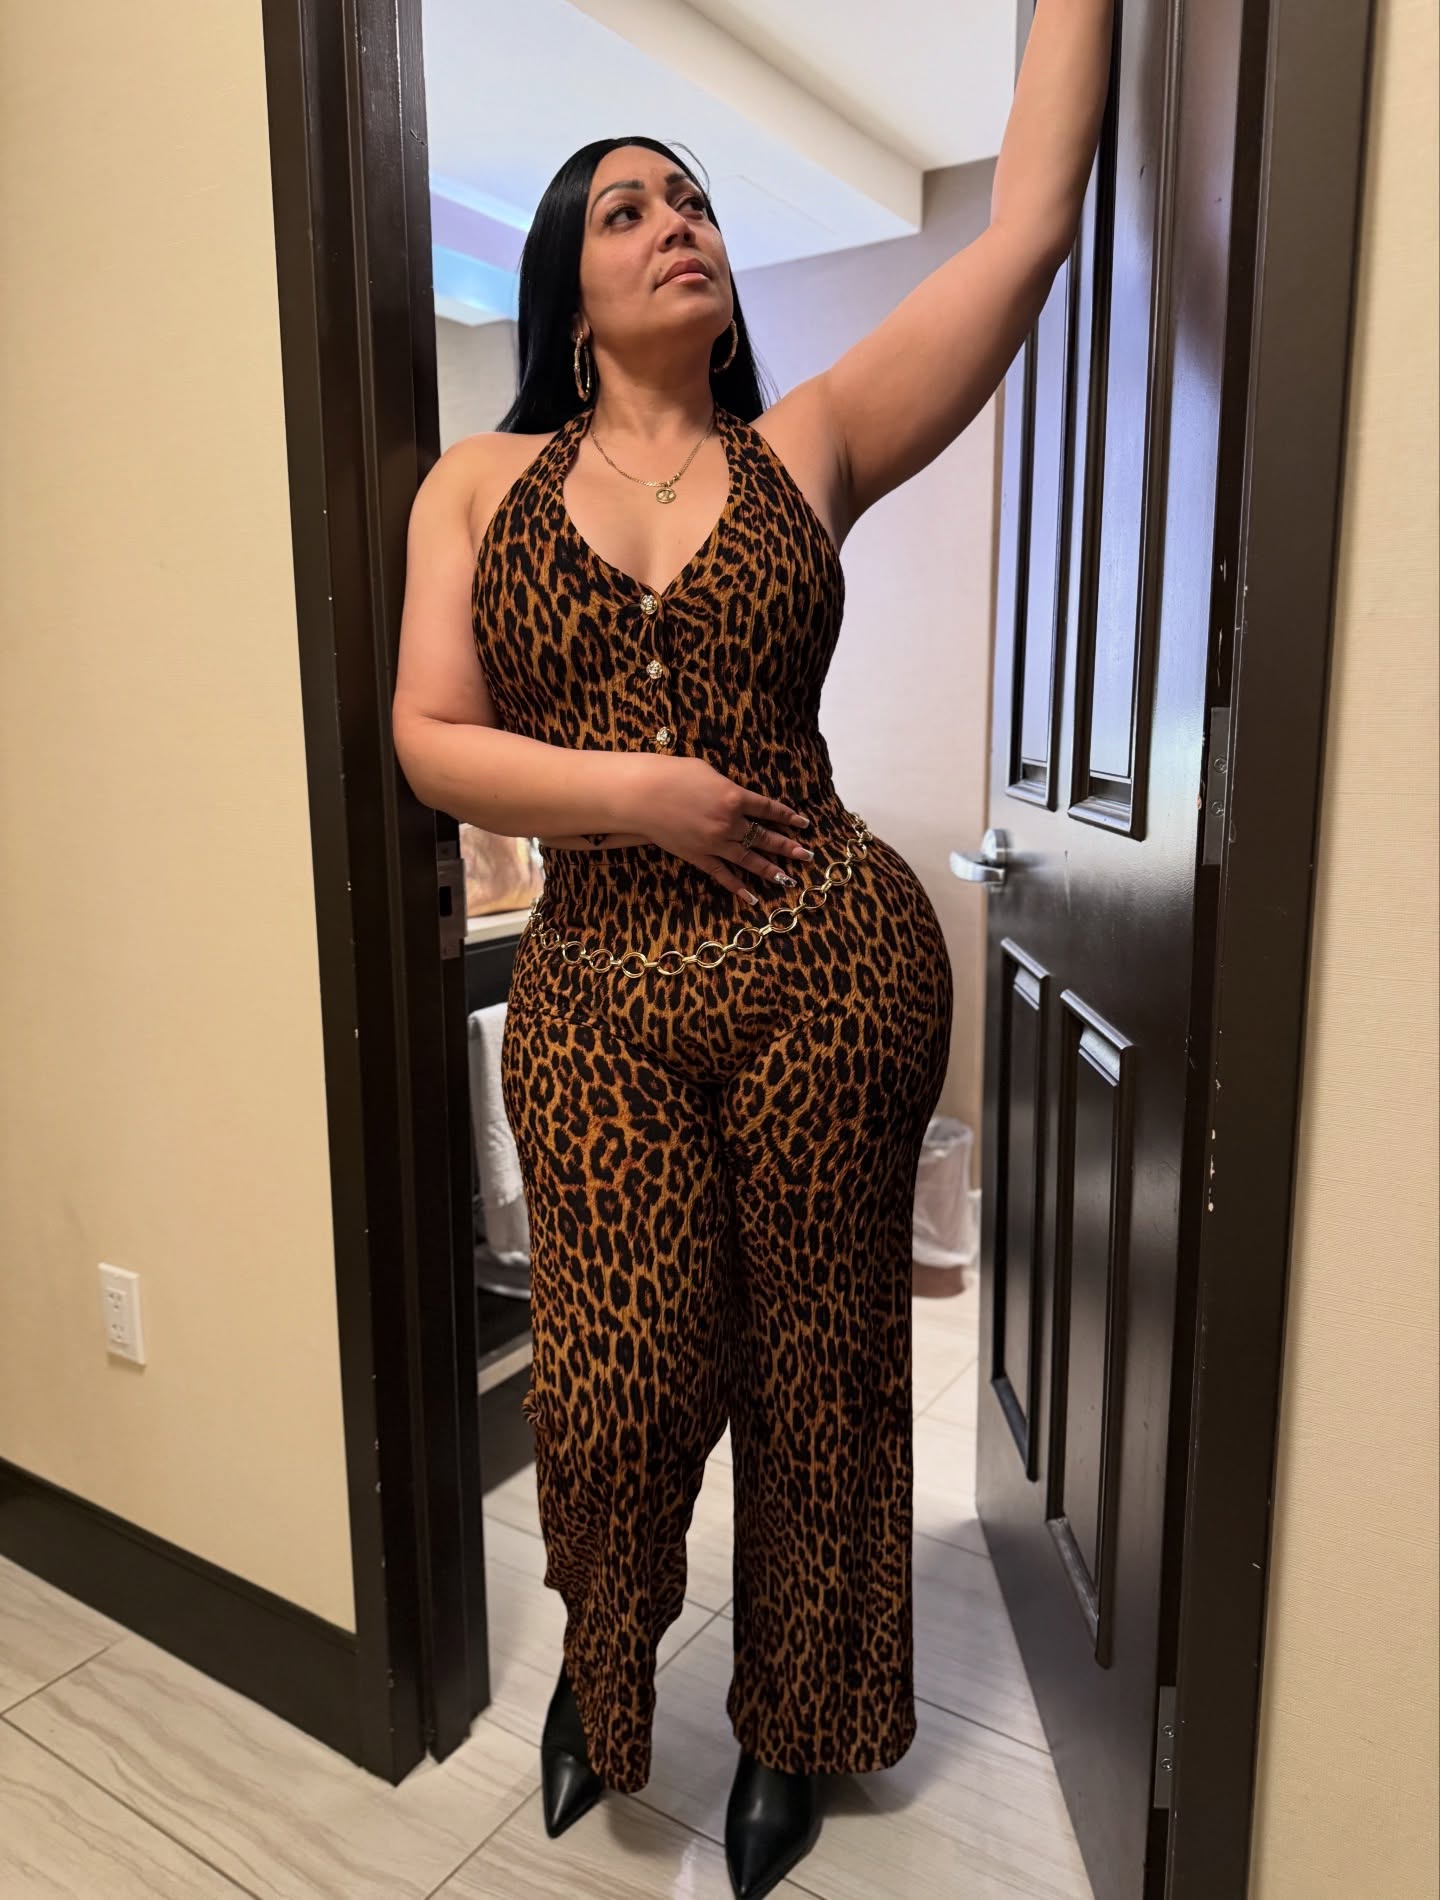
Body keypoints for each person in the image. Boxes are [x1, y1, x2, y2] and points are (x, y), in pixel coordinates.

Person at [393, 11, 1112, 1893]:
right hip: (596, 993)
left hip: (830, 968)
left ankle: (798, 1721)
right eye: (627, 209)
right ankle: (608, 1663)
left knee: (824, 1367)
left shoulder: (813, 441)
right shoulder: (476, 485)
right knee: (615, 1379)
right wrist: (643, 795)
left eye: (696, 201)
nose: (677, 223)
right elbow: (430, 739)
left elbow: (1030, 226)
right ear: (567, 294)